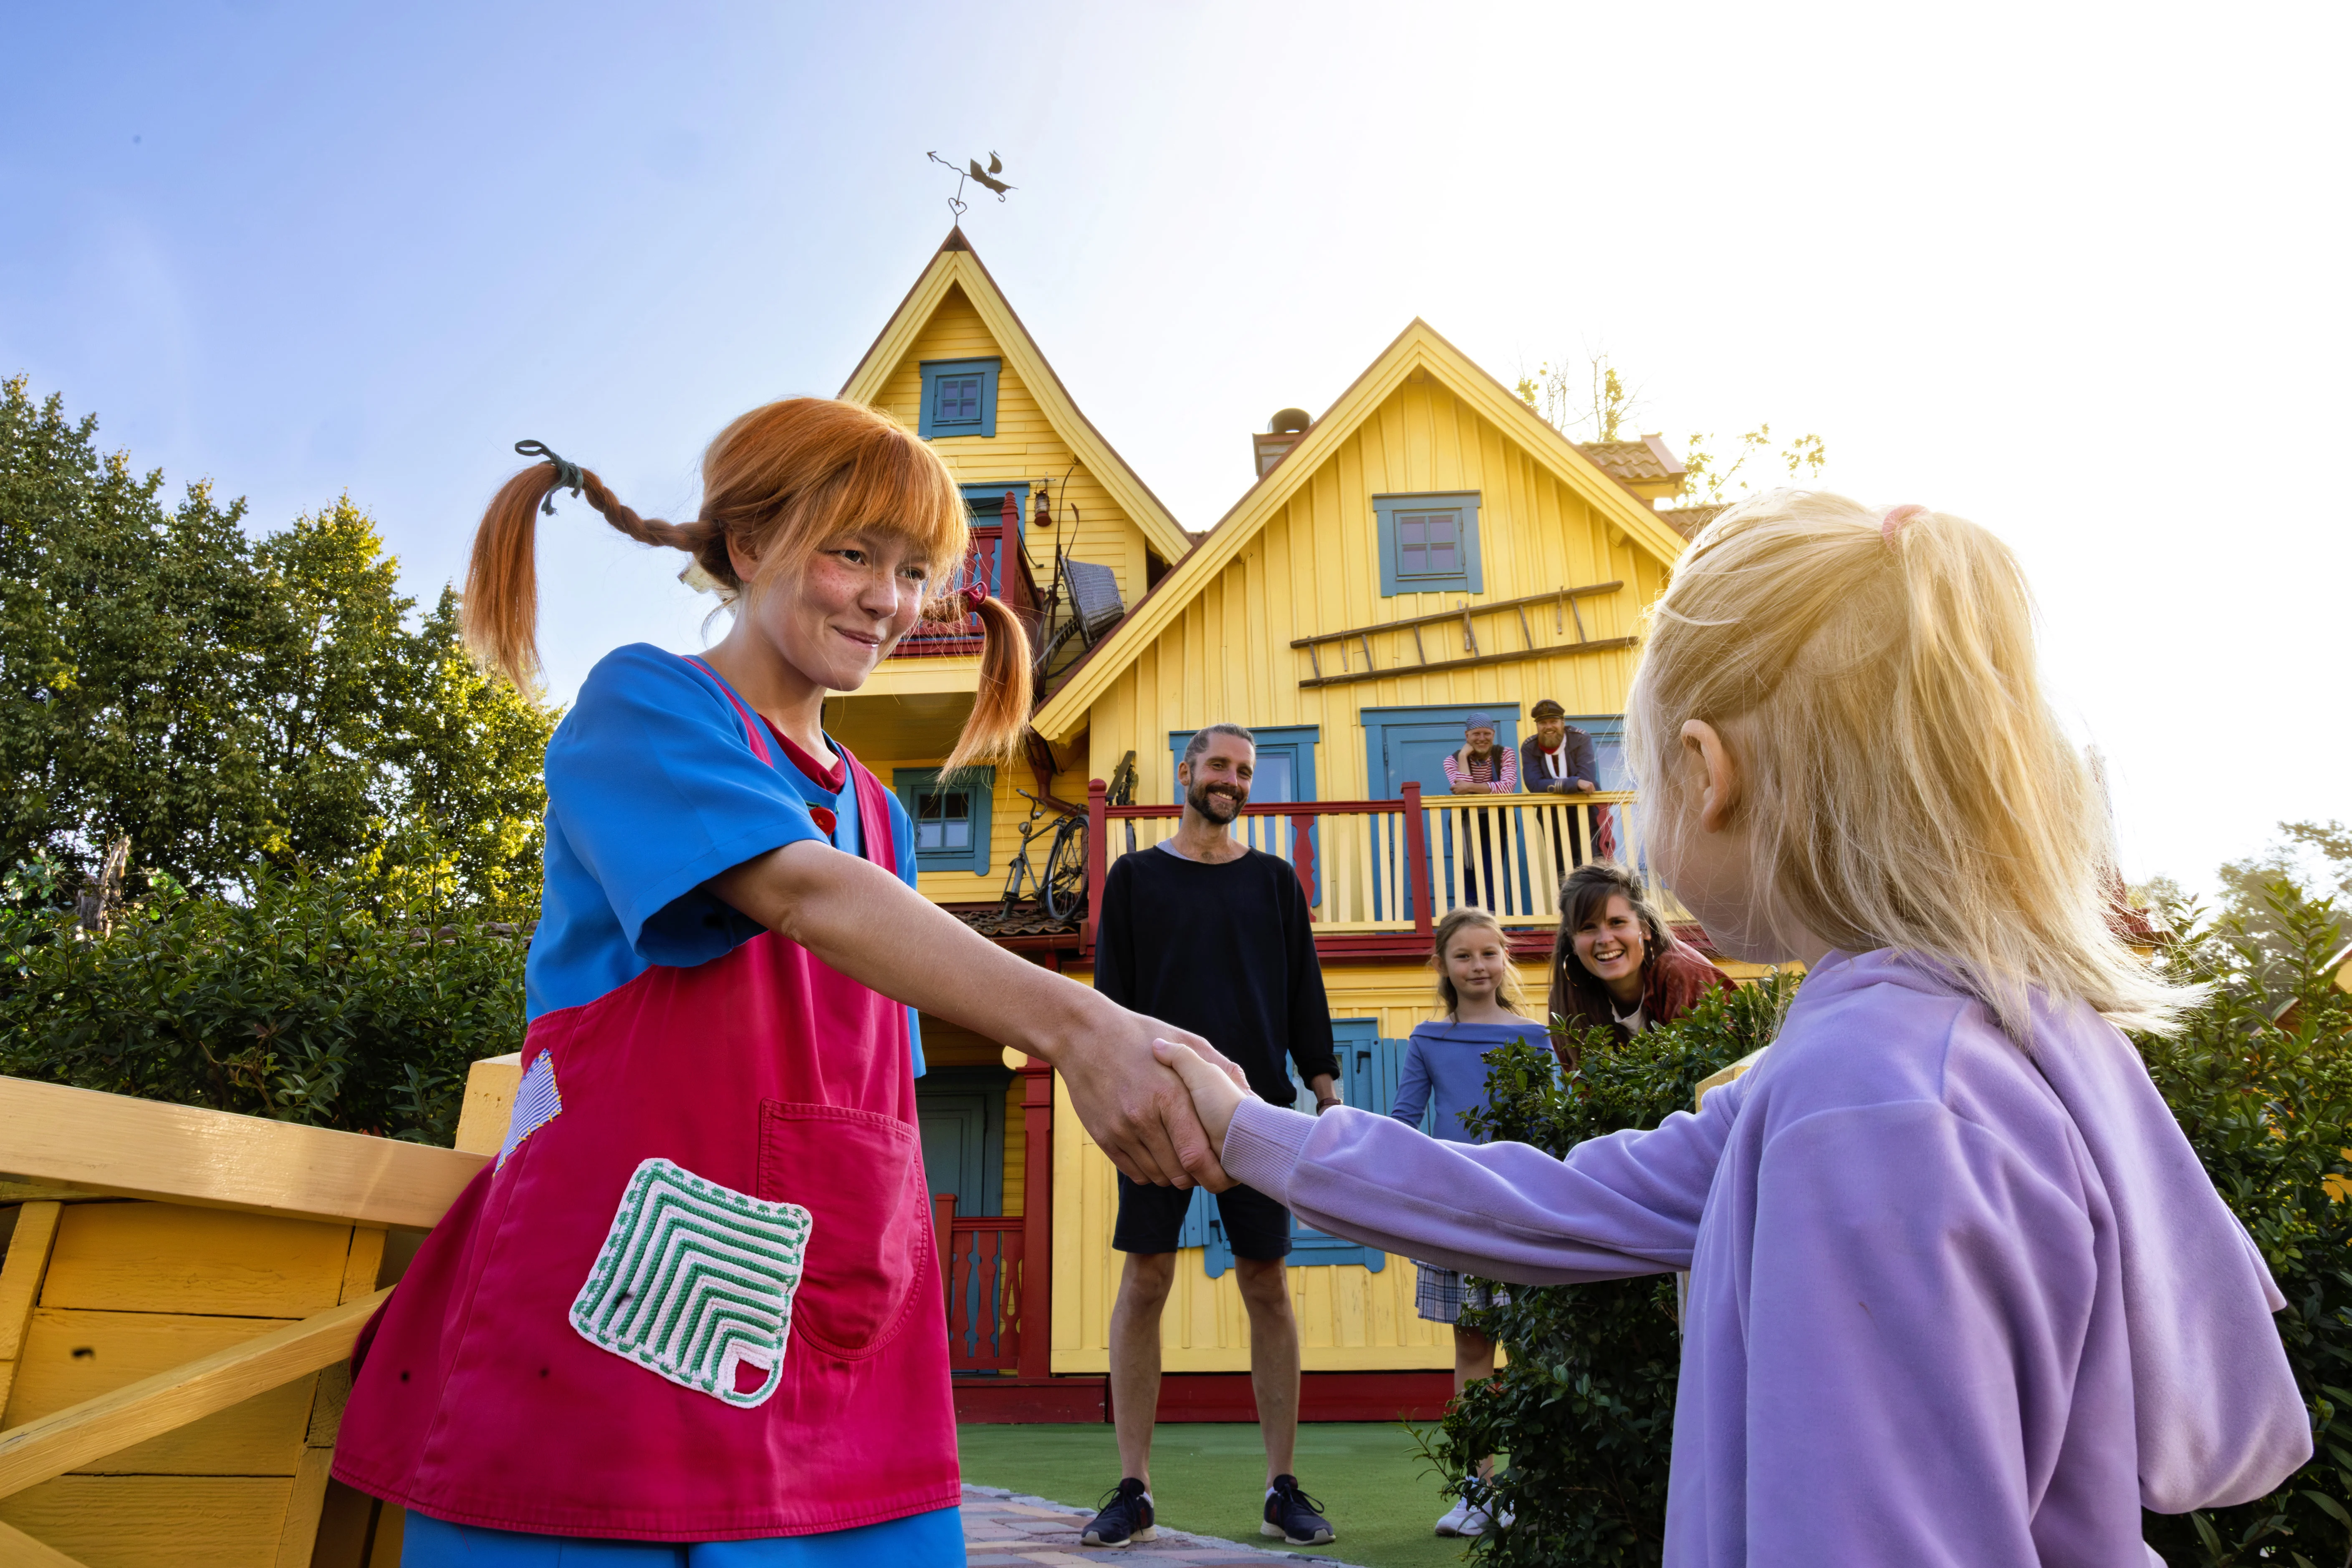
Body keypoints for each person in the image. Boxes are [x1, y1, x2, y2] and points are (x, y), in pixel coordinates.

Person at [1151, 493, 2312, 1563]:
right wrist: (1254, 1132)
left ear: (1709, 770)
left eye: (1642, 778)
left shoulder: (1870, 1101)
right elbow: (1556, 1199)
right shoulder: (1938, 1042)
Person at [331, 404, 1243, 1567]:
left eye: (913, 570)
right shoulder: (647, 706)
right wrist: (1081, 1024)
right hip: (614, 1301)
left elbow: (878, 1076)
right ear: (751, 543)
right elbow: (803, 893)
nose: (886, 597)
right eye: (851, 551)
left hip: (835, 1312)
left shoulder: (882, 810)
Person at [1082, 722, 1342, 1551]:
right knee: (1148, 1277)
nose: (1231, 780)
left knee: (1267, 1283)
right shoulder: (1133, 878)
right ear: (1186, 771)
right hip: (1157, 1109)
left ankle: (1281, 1486)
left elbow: (1305, 993)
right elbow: (1111, 1004)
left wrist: (1326, 1092)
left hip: (1256, 1108)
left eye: (1244, 771)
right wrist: (1113, 1095)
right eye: (1218, 765)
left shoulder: (1273, 883)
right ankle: (1134, 1487)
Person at [1388, 907, 1551, 1539]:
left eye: (1489, 953)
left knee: (1535, 1349)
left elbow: (1549, 1125)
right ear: (1442, 965)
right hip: (1453, 1209)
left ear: (1504, 958)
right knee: (1471, 1345)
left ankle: (1534, 1485)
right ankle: (1478, 1488)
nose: (1478, 965)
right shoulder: (1427, 1039)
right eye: (1463, 955)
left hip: (1519, 1206)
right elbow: (1404, 1118)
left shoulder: (1535, 1037)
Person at [1546, 861, 1735, 1072]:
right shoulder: (1565, 1002)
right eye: (1588, 927)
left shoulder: (1685, 973)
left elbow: (1718, 1076)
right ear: (1572, 941)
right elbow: (1588, 1092)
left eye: (1617, 922)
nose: (1604, 939)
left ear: (1645, 928)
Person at [1520, 698, 1605, 872]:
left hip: (1587, 811)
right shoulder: (1529, 747)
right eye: (1543, 723)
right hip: (1552, 816)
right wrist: (1574, 783)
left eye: (1554, 721)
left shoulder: (1580, 739)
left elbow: (1587, 778)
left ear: (1563, 723)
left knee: (1593, 865)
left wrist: (1572, 783)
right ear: (1537, 726)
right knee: (1562, 869)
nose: (1548, 726)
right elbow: (1534, 786)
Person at [1440, 714, 1517, 907]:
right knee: (1468, 873)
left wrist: (1471, 787)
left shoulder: (1505, 753)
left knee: (1493, 874)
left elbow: (1508, 787)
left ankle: (1497, 923)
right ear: (1467, 735)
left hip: (1495, 821)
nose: (1482, 738)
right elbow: (1463, 793)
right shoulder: (1452, 760)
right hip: (1464, 823)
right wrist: (1463, 757)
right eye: (1476, 734)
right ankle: (1471, 925)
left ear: (1494, 734)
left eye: (1487, 733)